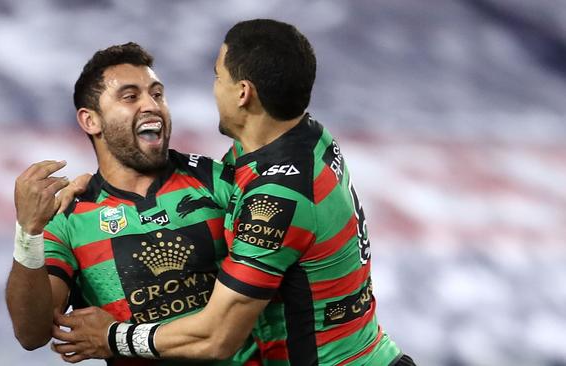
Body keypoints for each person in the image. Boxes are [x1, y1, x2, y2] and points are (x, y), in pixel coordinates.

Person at [53, 19, 416, 365]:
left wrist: (114, 337)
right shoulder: (298, 138)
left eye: (218, 76)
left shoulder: (276, 197)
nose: (214, 88)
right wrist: (100, 188)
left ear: (243, 93)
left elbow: (218, 336)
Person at [5, 42, 259, 366]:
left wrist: (115, 337)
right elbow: (31, 333)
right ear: (90, 121)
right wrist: (27, 232)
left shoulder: (217, 182)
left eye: (157, 94)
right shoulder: (69, 219)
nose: (151, 105)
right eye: (130, 96)